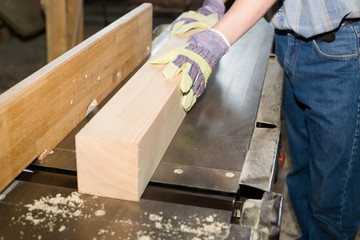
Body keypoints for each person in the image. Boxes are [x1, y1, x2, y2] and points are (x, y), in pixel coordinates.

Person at [151, 0, 360, 239]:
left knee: (332, 194)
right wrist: (216, 3)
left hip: (339, 50)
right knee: (302, 171)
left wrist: (218, 38)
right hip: (288, 38)